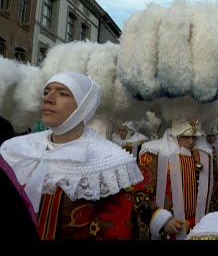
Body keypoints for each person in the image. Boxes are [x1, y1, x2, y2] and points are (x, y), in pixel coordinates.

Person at [0, 71, 144, 240]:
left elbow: (113, 231)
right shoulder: (15, 149)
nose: (48, 98)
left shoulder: (112, 163)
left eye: (63, 93)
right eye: (46, 92)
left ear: (84, 105)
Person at [137, 116, 213, 240]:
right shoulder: (153, 153)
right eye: (185, 136)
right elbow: (140, 193)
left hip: (198, 227)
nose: (190, 142)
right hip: (168, 228)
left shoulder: (203, 155)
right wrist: (161, 219)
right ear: (175, 134)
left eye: (194, 137)